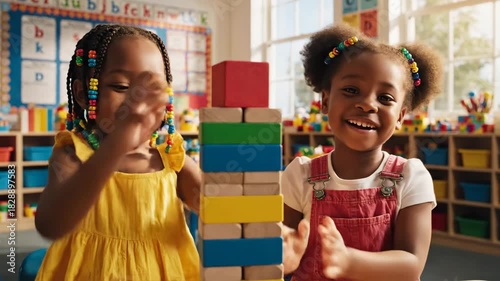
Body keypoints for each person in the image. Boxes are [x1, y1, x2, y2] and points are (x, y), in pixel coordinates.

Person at [34, 24, 201, 281]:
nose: (138, 101)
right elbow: (50, 222)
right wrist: (119, 142)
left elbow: (219, 207)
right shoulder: (73, 154)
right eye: (122, 87)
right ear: (82, 93)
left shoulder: (172, 160)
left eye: (153, 90)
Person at [281, 23, 443, 281]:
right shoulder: (299, 175)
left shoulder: (411, 177)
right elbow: (285, 246)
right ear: (324, 101)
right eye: (351, 90)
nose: (367, 104)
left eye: (385, 98)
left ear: (400, 116)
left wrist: (349, 261)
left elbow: (411, 265)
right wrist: (282, 255)